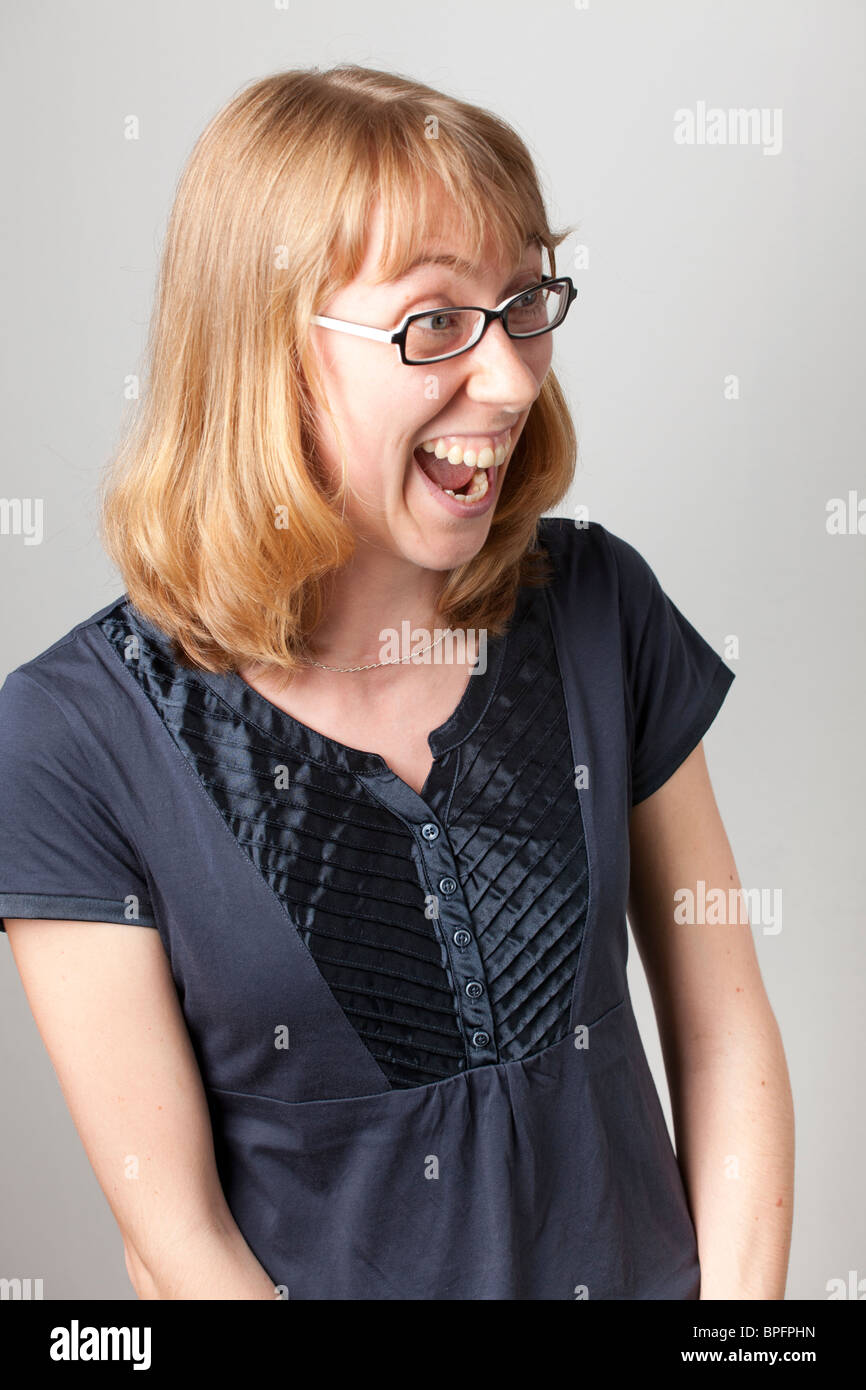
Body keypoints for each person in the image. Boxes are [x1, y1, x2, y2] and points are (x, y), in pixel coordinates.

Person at [0, 64, 794, 1300]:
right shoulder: (67, 738)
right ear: (268, 350)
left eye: (523, 302)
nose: (514, 378)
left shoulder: (596, 606)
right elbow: (179, 1243)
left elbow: (725, 1027)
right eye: (434, 325)